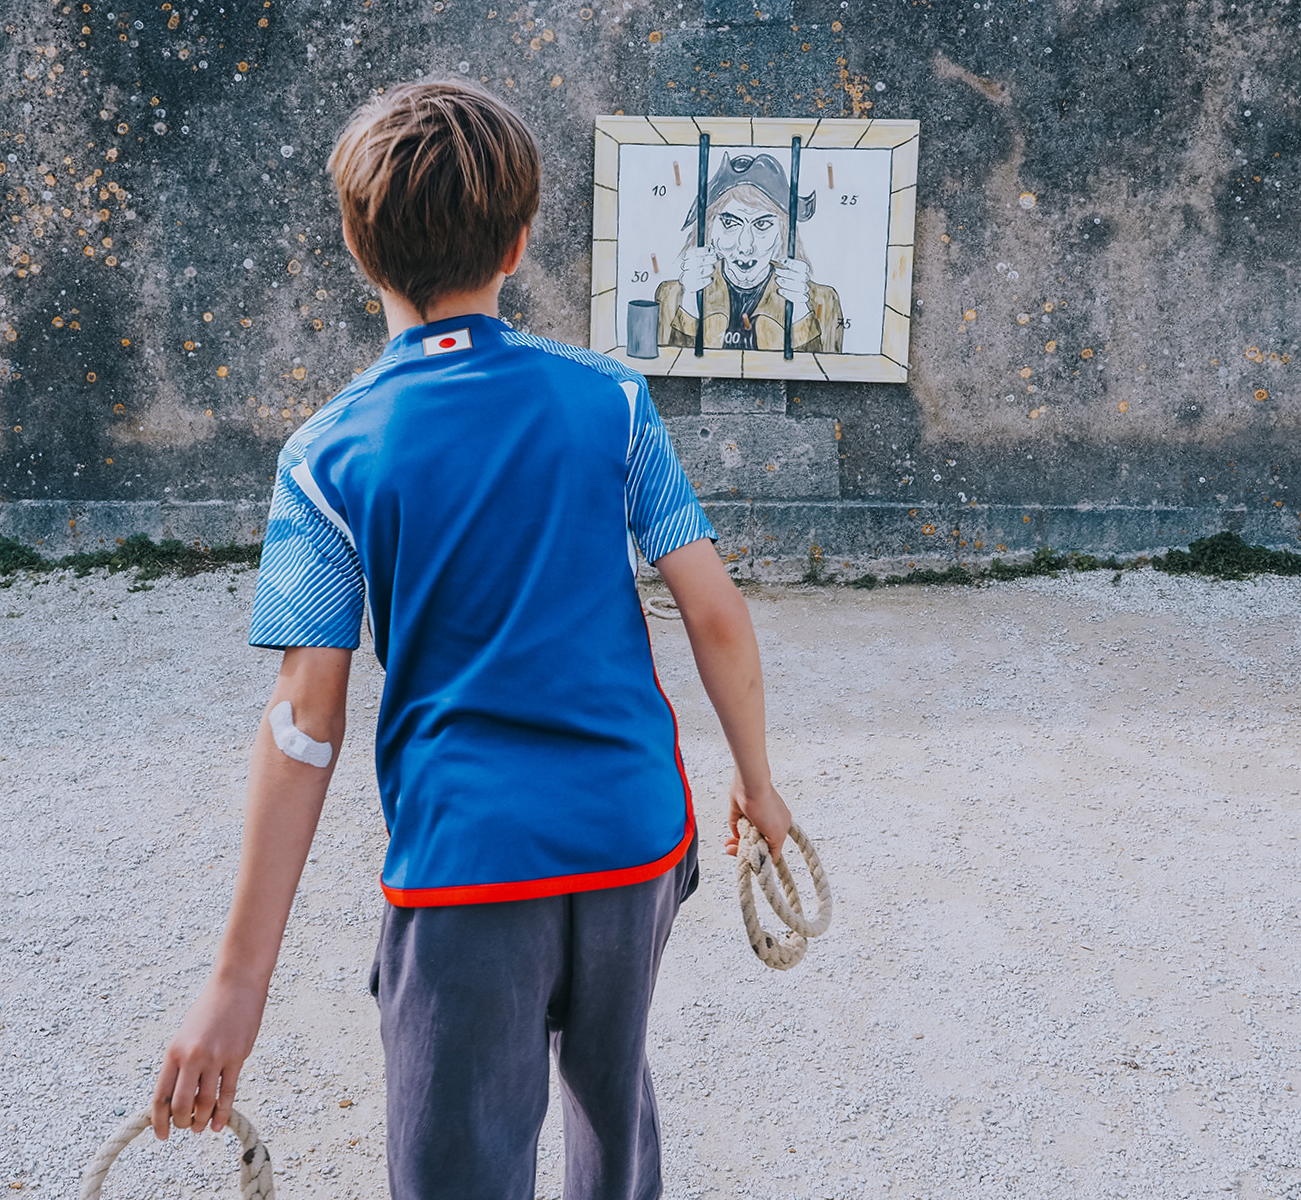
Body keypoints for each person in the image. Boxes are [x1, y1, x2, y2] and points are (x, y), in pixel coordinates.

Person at [148, 80, 796, 1200]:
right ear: (519, 242)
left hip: (468, 871)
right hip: (635, 837)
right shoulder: (613, 402)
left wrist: (237, 985)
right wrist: (758, 780)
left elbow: (305, 725)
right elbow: (715, 612)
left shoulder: (324, 458)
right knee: (614, 1112)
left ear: (356, 247)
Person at [653, 152, 844, 353]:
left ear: (783, 232)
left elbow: (824, 370)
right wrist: (690, 307)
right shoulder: (671, 297)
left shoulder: (823, 301)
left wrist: (799, 316)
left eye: (762, 225)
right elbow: (668, 368)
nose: (745, 246)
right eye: (729, 223)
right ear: (709, 229)